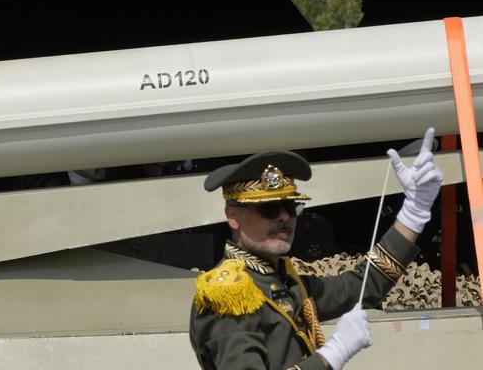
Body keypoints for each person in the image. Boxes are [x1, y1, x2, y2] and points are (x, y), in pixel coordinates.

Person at [189, 128, 443, 370]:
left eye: (290, 208)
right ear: (233, 216)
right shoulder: (228, 296)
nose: (283, 218)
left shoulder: (283, 279)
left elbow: (362, 286)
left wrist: (414, 212)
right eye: (269, 209)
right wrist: (331, 355)